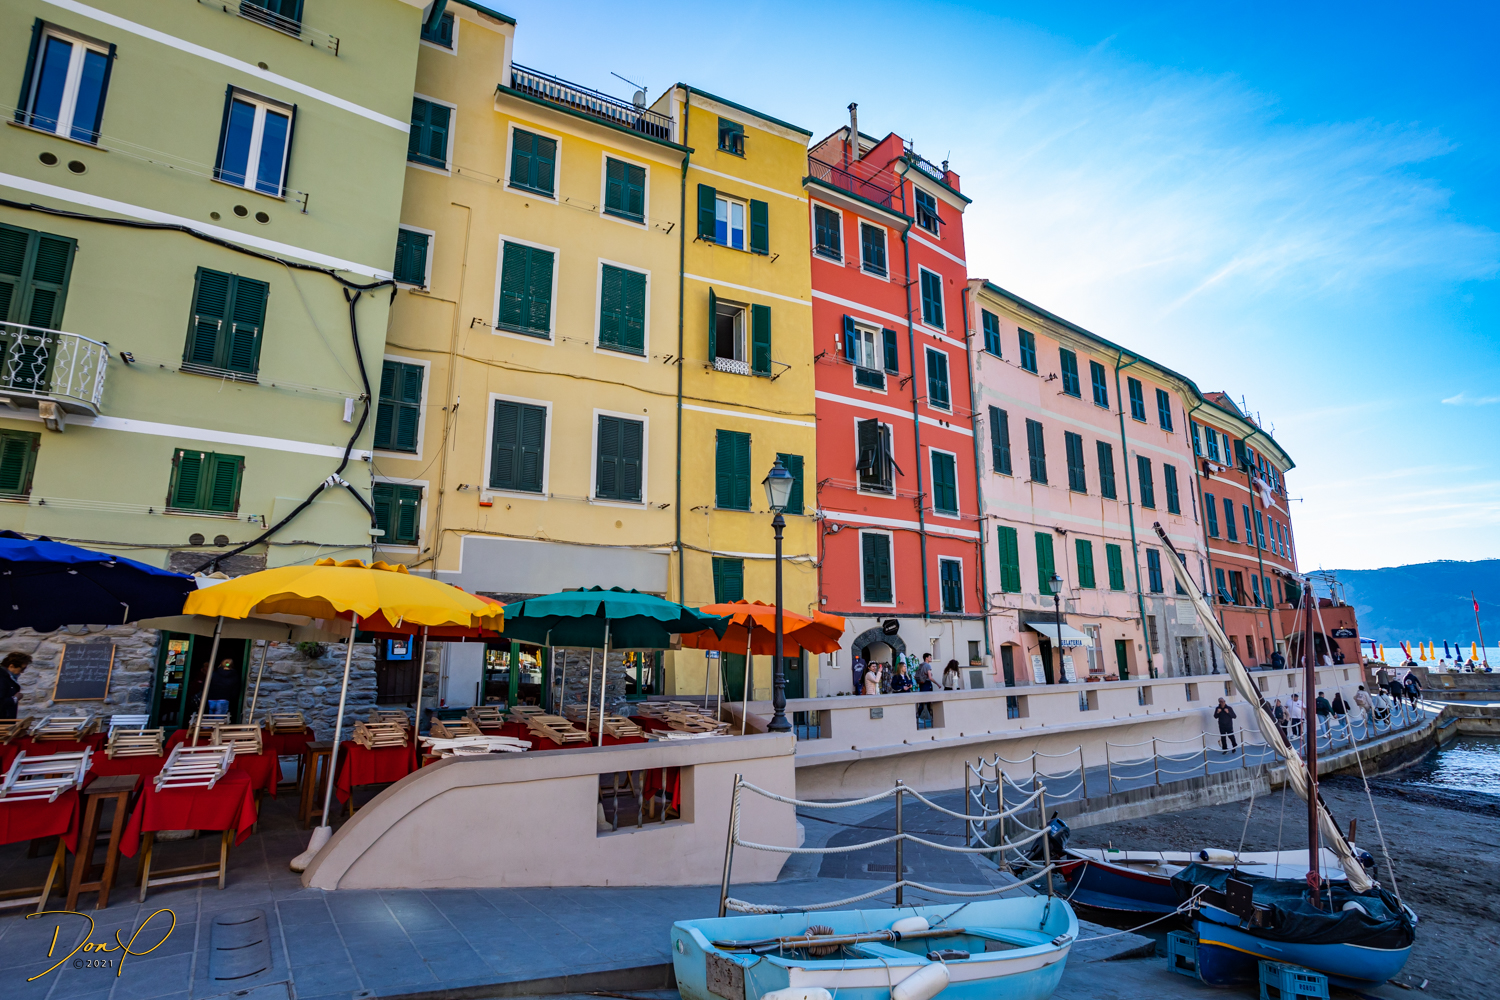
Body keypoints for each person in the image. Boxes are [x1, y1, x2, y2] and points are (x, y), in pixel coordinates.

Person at [1, 652, 31, 720]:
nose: (22, 672)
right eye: (22, 668)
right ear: (11, 666)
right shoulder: (2, 678)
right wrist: (15, 698)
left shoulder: (7, 677)